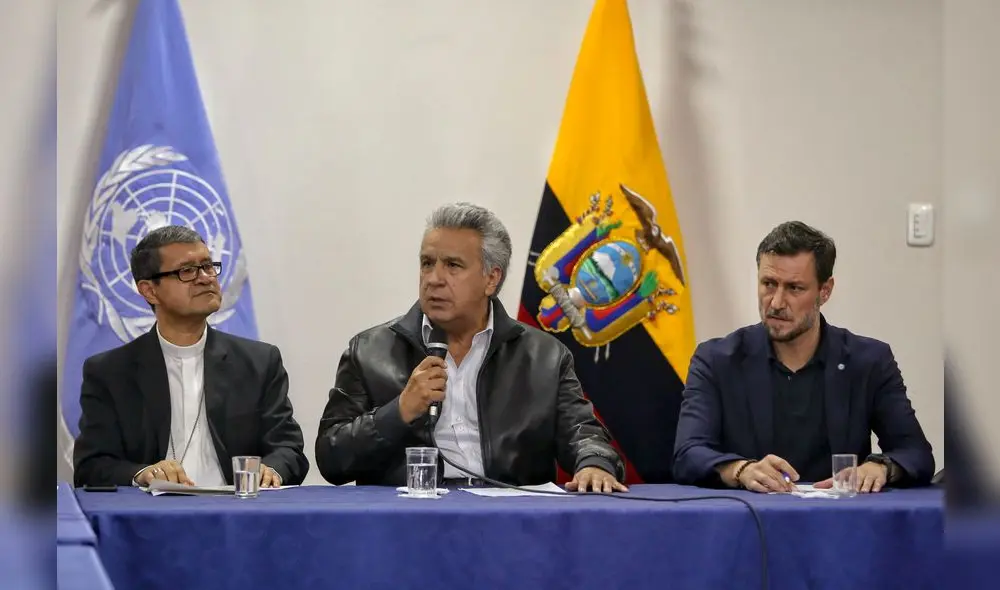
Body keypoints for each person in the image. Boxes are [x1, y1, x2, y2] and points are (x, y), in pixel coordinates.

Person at [315, 202, 626, 492]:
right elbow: (331, 459)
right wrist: (398, 412)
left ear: (491, 279)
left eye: (452, 265)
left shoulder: (544, 357)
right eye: (427, 263)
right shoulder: (370, 351)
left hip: (510, 520)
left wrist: (594, 464)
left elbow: (583, 433)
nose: (433, 279)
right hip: (408, 520)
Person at [673, 221, 934, 493]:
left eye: (795, 288)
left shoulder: (869, 361)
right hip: (751, 522)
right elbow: (687, 454)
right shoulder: (717, 360)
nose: (776, 302)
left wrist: (880, 467)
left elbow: (916, 453)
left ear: (825, 291)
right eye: (769, 284)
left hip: (842, 523)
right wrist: (740, 469)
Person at [73, 226, 308, 488]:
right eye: (187, 271)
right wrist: (144, 474)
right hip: (151, 518)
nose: (206, 278)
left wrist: (272, 469)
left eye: (208, 266)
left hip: (239, 515)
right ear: (149, 290)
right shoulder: (110, 372)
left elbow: (289, 449)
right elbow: (91, 466)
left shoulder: (259, 362)